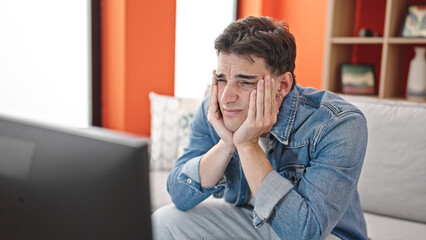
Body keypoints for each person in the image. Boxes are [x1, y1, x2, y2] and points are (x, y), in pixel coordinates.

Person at [152, 16, 369, 240]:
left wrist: (247, 145)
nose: (227, 97)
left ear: (282, 85)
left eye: (245, 81)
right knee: (163, 222)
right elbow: (179, 195)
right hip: (251, 222)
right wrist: (227, 143)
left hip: (323, 234)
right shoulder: (216, 108)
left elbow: (304, 233)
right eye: (222, 79)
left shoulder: (337, 124)